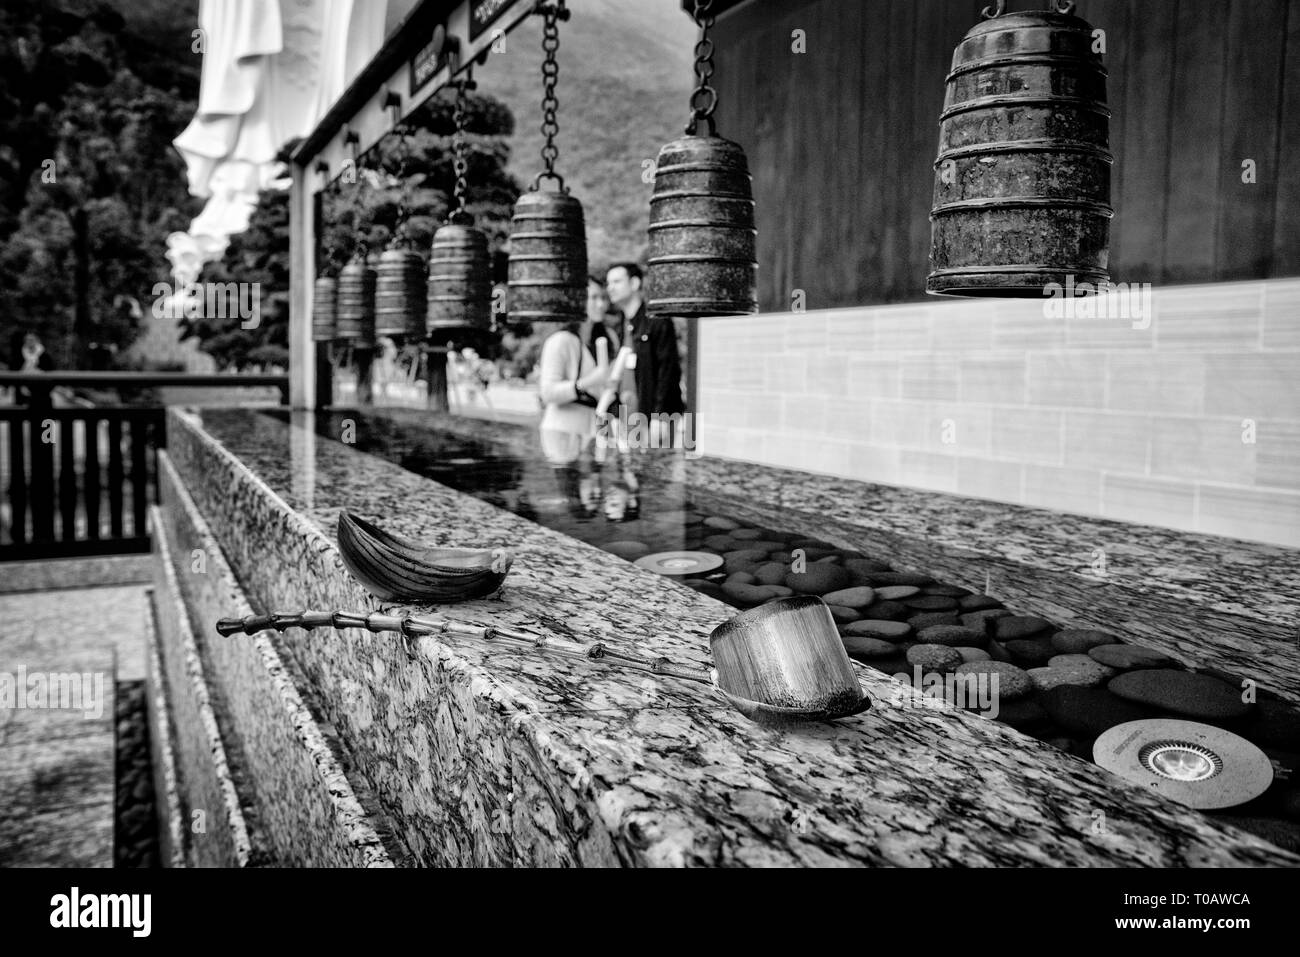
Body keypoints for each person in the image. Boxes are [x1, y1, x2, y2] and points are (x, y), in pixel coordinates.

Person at [605, 263, 685, 444]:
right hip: (628, 419)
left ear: (634, 283)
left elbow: (668, 370)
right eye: (608, 283)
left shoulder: (657, 320)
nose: (610, 288)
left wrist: (659, 416)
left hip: (654, 418)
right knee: (629, 468)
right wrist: (614, 414)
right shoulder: (619, 326)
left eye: (617, 281)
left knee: (656, 468)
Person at [536, 292, 609, 459]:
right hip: (561, 435)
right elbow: (547, 393)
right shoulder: (561, 341)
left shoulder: (606, 340)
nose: (601, 304)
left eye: (603, 298)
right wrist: (588, 382)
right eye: (593, 297)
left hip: (593, 434)